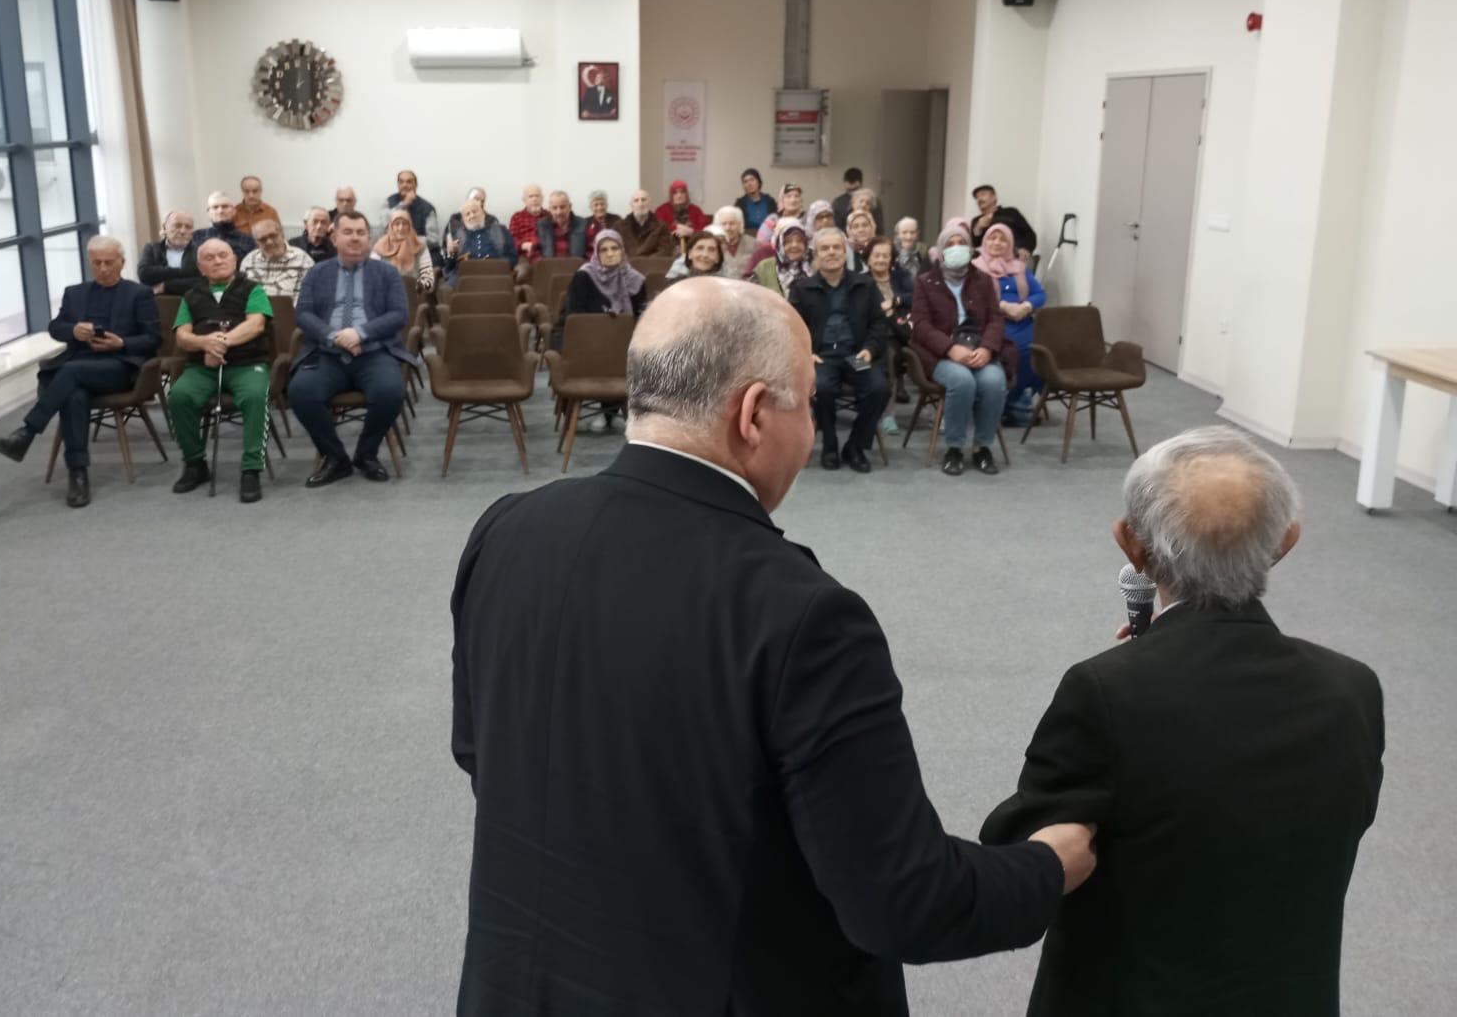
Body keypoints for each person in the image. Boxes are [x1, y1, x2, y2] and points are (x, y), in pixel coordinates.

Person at [450, 277, 1096, 1016]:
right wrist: (1048, 864)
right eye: (809, 403)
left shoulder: (506, 529)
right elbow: (903, 901)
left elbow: (481, 754)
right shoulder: (803, 615)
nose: (812, 430)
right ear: (754, 413)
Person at [983, 426, 1383, 1017]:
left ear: (1131, 545)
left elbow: (1022, 854)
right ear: (1286, 541)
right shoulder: (1353, 688)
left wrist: (1134, 675)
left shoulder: (1103, 691)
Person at [0, 237, 158, 509]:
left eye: (109, 262)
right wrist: (73, 331)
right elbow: (55, 327)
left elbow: (153, 338)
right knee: (73, 395)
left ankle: (27, 432)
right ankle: (78, 473)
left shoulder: (138, 294)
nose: (103, 268)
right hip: (79, 364)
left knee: (69, 373)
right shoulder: (75, 293)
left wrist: (121, 343)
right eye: (97, 263)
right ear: (90, 263)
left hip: (119, 365)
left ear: (122, 263)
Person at [288, 210, 417, 488]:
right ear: (334, 237)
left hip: (374, 352)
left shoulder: (387, 273)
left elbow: (398, 315)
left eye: (361, 233)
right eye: (348, 232)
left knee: (391, 392)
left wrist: (360, 333)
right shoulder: (316, 273)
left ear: (369, 239)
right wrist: (334, 336)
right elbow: (304, 314)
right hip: (327, 352)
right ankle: (336, 458)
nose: (355, 238)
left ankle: (366, 454)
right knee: (300, 392)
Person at [165, 238, 273, 504]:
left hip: (247, 364)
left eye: (223, 255)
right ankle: (195, 463)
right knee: (179, 396)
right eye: (209, 258)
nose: (217, 261)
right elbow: (182, 336)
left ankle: (251, 469)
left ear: (234, 259)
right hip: (202, 367)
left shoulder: (253, 289)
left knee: (255, 397)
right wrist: (204, 343)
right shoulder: (191, 296)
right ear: (200, 267)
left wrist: (220, 344)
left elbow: (256, 325)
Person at [912, 219, 1011, 477]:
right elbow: (921, 325)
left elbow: (995, 318)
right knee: (962, 381)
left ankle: (982, 447)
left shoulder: (983, 280)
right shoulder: (925, 281)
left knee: (994, 381)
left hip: (979, 349)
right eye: (950, 244)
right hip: (942, 354)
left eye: (961, 243)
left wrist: (987, 348)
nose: (956, 248)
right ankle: (954, 448)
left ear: (970, 249)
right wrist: (950, 349)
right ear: (941, 250)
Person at [791, 227, 891, 473]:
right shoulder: (802, 288)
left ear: (845, 252)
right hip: (822, 357)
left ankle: (855, 446)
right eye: (825, 248)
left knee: (879, 388)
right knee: (822, 388)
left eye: (837, 247)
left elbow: (879, 324)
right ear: (816, 254)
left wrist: (869, 349)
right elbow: (791, 327)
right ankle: (830, 445)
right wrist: (805, 352)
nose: (832, 252)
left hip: (856, 355)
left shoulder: (865, 285)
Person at [975, 222, 1046, 400]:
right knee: (1012, 351)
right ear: (985, 241)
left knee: (1037, 350)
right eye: (992, 238)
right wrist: (1004, 306)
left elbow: (1039, 294)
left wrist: (1026, 306)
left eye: (1003, 239)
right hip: (992, 323)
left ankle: (1020, 396)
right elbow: (974, 299)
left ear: (1010, 244)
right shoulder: (975, 268)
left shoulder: (1020, 267)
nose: (997, 243)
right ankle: (1006, 399)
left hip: (1022, 321)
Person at [866, 236, 913, 429]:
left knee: (891, 352)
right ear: (868, 258)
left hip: (901, 334)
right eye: (876, 255)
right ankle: (882, 410)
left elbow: (916, 296)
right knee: (885, 353)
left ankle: (888, 413)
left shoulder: (901, 277)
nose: (881, 259)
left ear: (891, 258)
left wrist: (896, 301)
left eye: (885, 256)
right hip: (872, 336)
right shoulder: (862, 281)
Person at [443, 197, 518, 283]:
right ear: (463, 220)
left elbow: (513, 257)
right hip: (466, 276)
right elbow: (449, 267)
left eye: (475, 211)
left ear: (483, 213)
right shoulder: (457, 235)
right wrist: (451, 253)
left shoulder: (500, 230)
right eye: (467, 214)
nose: (472, 215)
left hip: (495, 274)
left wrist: (495, 265)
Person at [241, 217, 313, 300]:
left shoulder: (303, 260)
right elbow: (243, 295)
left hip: (290, 308)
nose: (269, 242)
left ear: (282, 234)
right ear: (256, 242)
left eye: (273, 236)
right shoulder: (249, 261)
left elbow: (304, 297)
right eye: (263, 239)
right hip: (255, 307)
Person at [138, 209, 201, 295]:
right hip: (158, 300)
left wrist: (166, 286)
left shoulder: (200, 251)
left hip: (191, 300)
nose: (183, 231)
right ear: (164, 228)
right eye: (177, 226)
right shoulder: (152, 248)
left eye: (188, 227)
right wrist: (183, 272)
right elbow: (144, 274)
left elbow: (203, 282)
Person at [374, 208, 436, 293]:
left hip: (413, 293)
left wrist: (416, 286)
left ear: (410, 225)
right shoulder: (380, 246)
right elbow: (372, 275)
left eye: (405, 223)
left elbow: (428, 278)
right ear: (391, 226)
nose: (401, 228)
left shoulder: (419, 245)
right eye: (397, 224)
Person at [970, 184, 1037, 259]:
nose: (979, 199)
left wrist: (1025, 248)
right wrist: (978, 228)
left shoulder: (1011, 212)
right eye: (977, 197)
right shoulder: (976, 221)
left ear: (994, 197)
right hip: (988, 260)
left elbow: (1029, 234)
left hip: (1014, 257)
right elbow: (975, 246)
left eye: (983, 194)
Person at [749, 217, 811, 297]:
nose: (794, 245)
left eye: (800, 241)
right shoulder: (764, 267)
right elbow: (751, 296)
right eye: (788, 241)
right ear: (779, 244)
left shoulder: (814, 266)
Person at [192, 191, 256, 261]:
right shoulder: (196, 237)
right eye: (215, 207)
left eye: (225, 207)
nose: (220, 211)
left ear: (234, 211)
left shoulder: (247, 240)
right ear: (208, 213)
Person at [617, 188, 675, 258]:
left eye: (643, 200)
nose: (640, 204)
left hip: (652, 264)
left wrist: (644, 262)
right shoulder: (620, 227)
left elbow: (665, 250)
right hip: (627, 264)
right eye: (636, 200)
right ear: (631, 205)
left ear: (649, 203)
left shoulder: (661, 227)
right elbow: (616, 249)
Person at [538, 190, 590, 259]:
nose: (558, 212)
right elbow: (536, 250)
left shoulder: (583, 223)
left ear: (570, 206)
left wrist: (585, 264)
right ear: (550, 209)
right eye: (554, 208)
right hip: (549, 265)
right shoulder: (542, 225)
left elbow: (591, 250)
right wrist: (542, 263)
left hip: (577, 264)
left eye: (562, 207)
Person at [390, 169, 438, 241]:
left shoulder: (427, 208)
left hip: (417, 247)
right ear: (398, 185)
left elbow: (433, 239)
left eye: (409, 182)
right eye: (401, 182)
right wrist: (404, 204)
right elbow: (383, 228)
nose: (404, 185)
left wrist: (408, 241)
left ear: (415, 185)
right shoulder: (388, 202)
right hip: (392, 246)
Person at [832, 166, 885, 230]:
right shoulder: (838, 203)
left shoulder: (873, 200)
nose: (863, 205)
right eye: (849, 190)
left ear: (861, 184)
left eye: (855, 190)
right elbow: (837, 229)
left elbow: (879, 228)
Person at [709, 205, 754, 279]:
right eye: (724, 224)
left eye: (732, 223)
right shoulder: (712, 245)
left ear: (740, 225)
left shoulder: (755, 244)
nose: (728, 228)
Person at [654, 179, 700, 244]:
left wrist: (691, 232)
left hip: (692, 244)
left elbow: (705, 230)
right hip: (668, 245)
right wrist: (677, 228)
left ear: (686, 194)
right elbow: (659, 229)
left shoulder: (696, 210)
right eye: (675, 193)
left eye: (682, 192)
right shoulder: (661, 210)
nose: (679, 195)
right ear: (671, 195)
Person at [509, 184, 546, 261]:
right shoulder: (517, 217)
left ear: (542, 198)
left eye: (537, 196)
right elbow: (511, 240)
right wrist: (522, 245)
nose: (534, 199)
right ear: (524, 200)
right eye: (531, 196)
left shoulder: (549, 215)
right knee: (521, 268)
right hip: (524, 256)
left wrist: (536, 243)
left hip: (545, 255)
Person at [736, 167, 777, 232]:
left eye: (752, 180)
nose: (749, 184)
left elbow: (776, 221)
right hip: (747, 236)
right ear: (743, 186)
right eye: (745, 181)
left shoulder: (770, 201)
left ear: (759, 182)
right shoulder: (739, 204)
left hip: (768, 235)